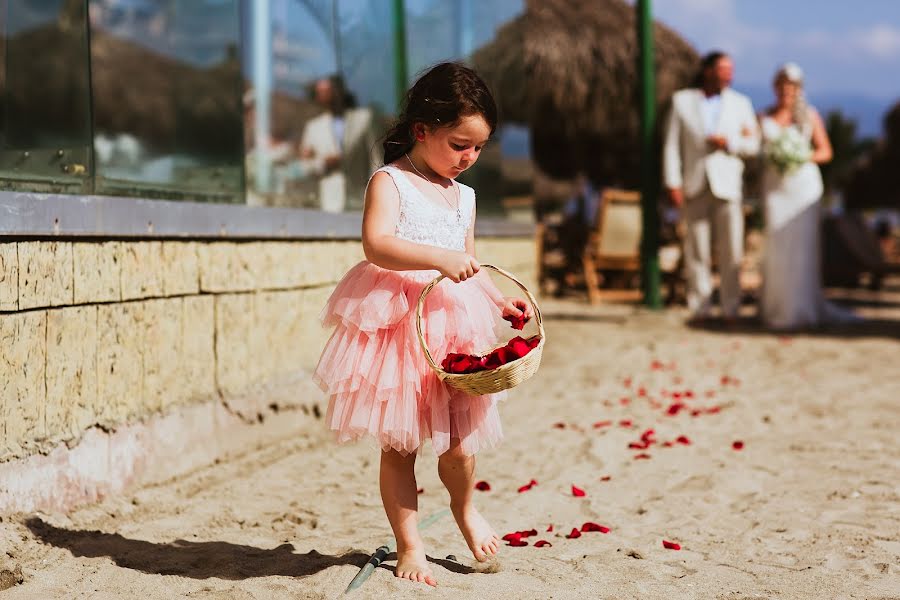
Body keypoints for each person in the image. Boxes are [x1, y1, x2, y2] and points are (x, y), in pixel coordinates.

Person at [313, 62, 531, 587]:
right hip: (398, 327)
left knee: (459, 445)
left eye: (479, 148)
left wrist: (498, 301)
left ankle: (464, 507)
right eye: (460, 144)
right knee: (401, 445)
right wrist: (437, 257)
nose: (469, 158)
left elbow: (468, 264)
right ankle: (411, 544)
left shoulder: (467, 196)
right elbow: (377, 244)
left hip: (453, 324)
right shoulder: (390, 180)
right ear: (421, 131)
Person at [663, 51, 761, 323]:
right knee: (696, 249)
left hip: (728, 185)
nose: (728, 74)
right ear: (707, 71)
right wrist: (673, 181)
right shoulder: (682, 101)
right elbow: (672, 145)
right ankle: (700, 307)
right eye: (722, 68)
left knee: (732, 250)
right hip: (694, 184)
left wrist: (729, 143)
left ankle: (731, 307)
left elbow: (754, 145)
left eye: (731, 69)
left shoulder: (742, 103)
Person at [758, 63, 857, 329]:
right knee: (777, 243)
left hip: (802, 186)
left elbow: (826, 151)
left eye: (791, 86)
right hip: (775, 187)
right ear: (775, 87)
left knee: (801, 246)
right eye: (781, 85)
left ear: (798, 89)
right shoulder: (763, 117)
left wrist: (800, 157)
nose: (785, 91)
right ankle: (777, 308)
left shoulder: (808, 116)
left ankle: (801, 308)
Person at [299, 75, 380, 212]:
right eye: (322, 92)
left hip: (360, 202)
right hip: (329, 205)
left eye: (330, 90)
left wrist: (377, 198)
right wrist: (323, 163)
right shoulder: (313, 128)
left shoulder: (364, 119)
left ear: (340, 91)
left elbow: (376, 160)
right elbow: (304, 167)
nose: (327, 96)